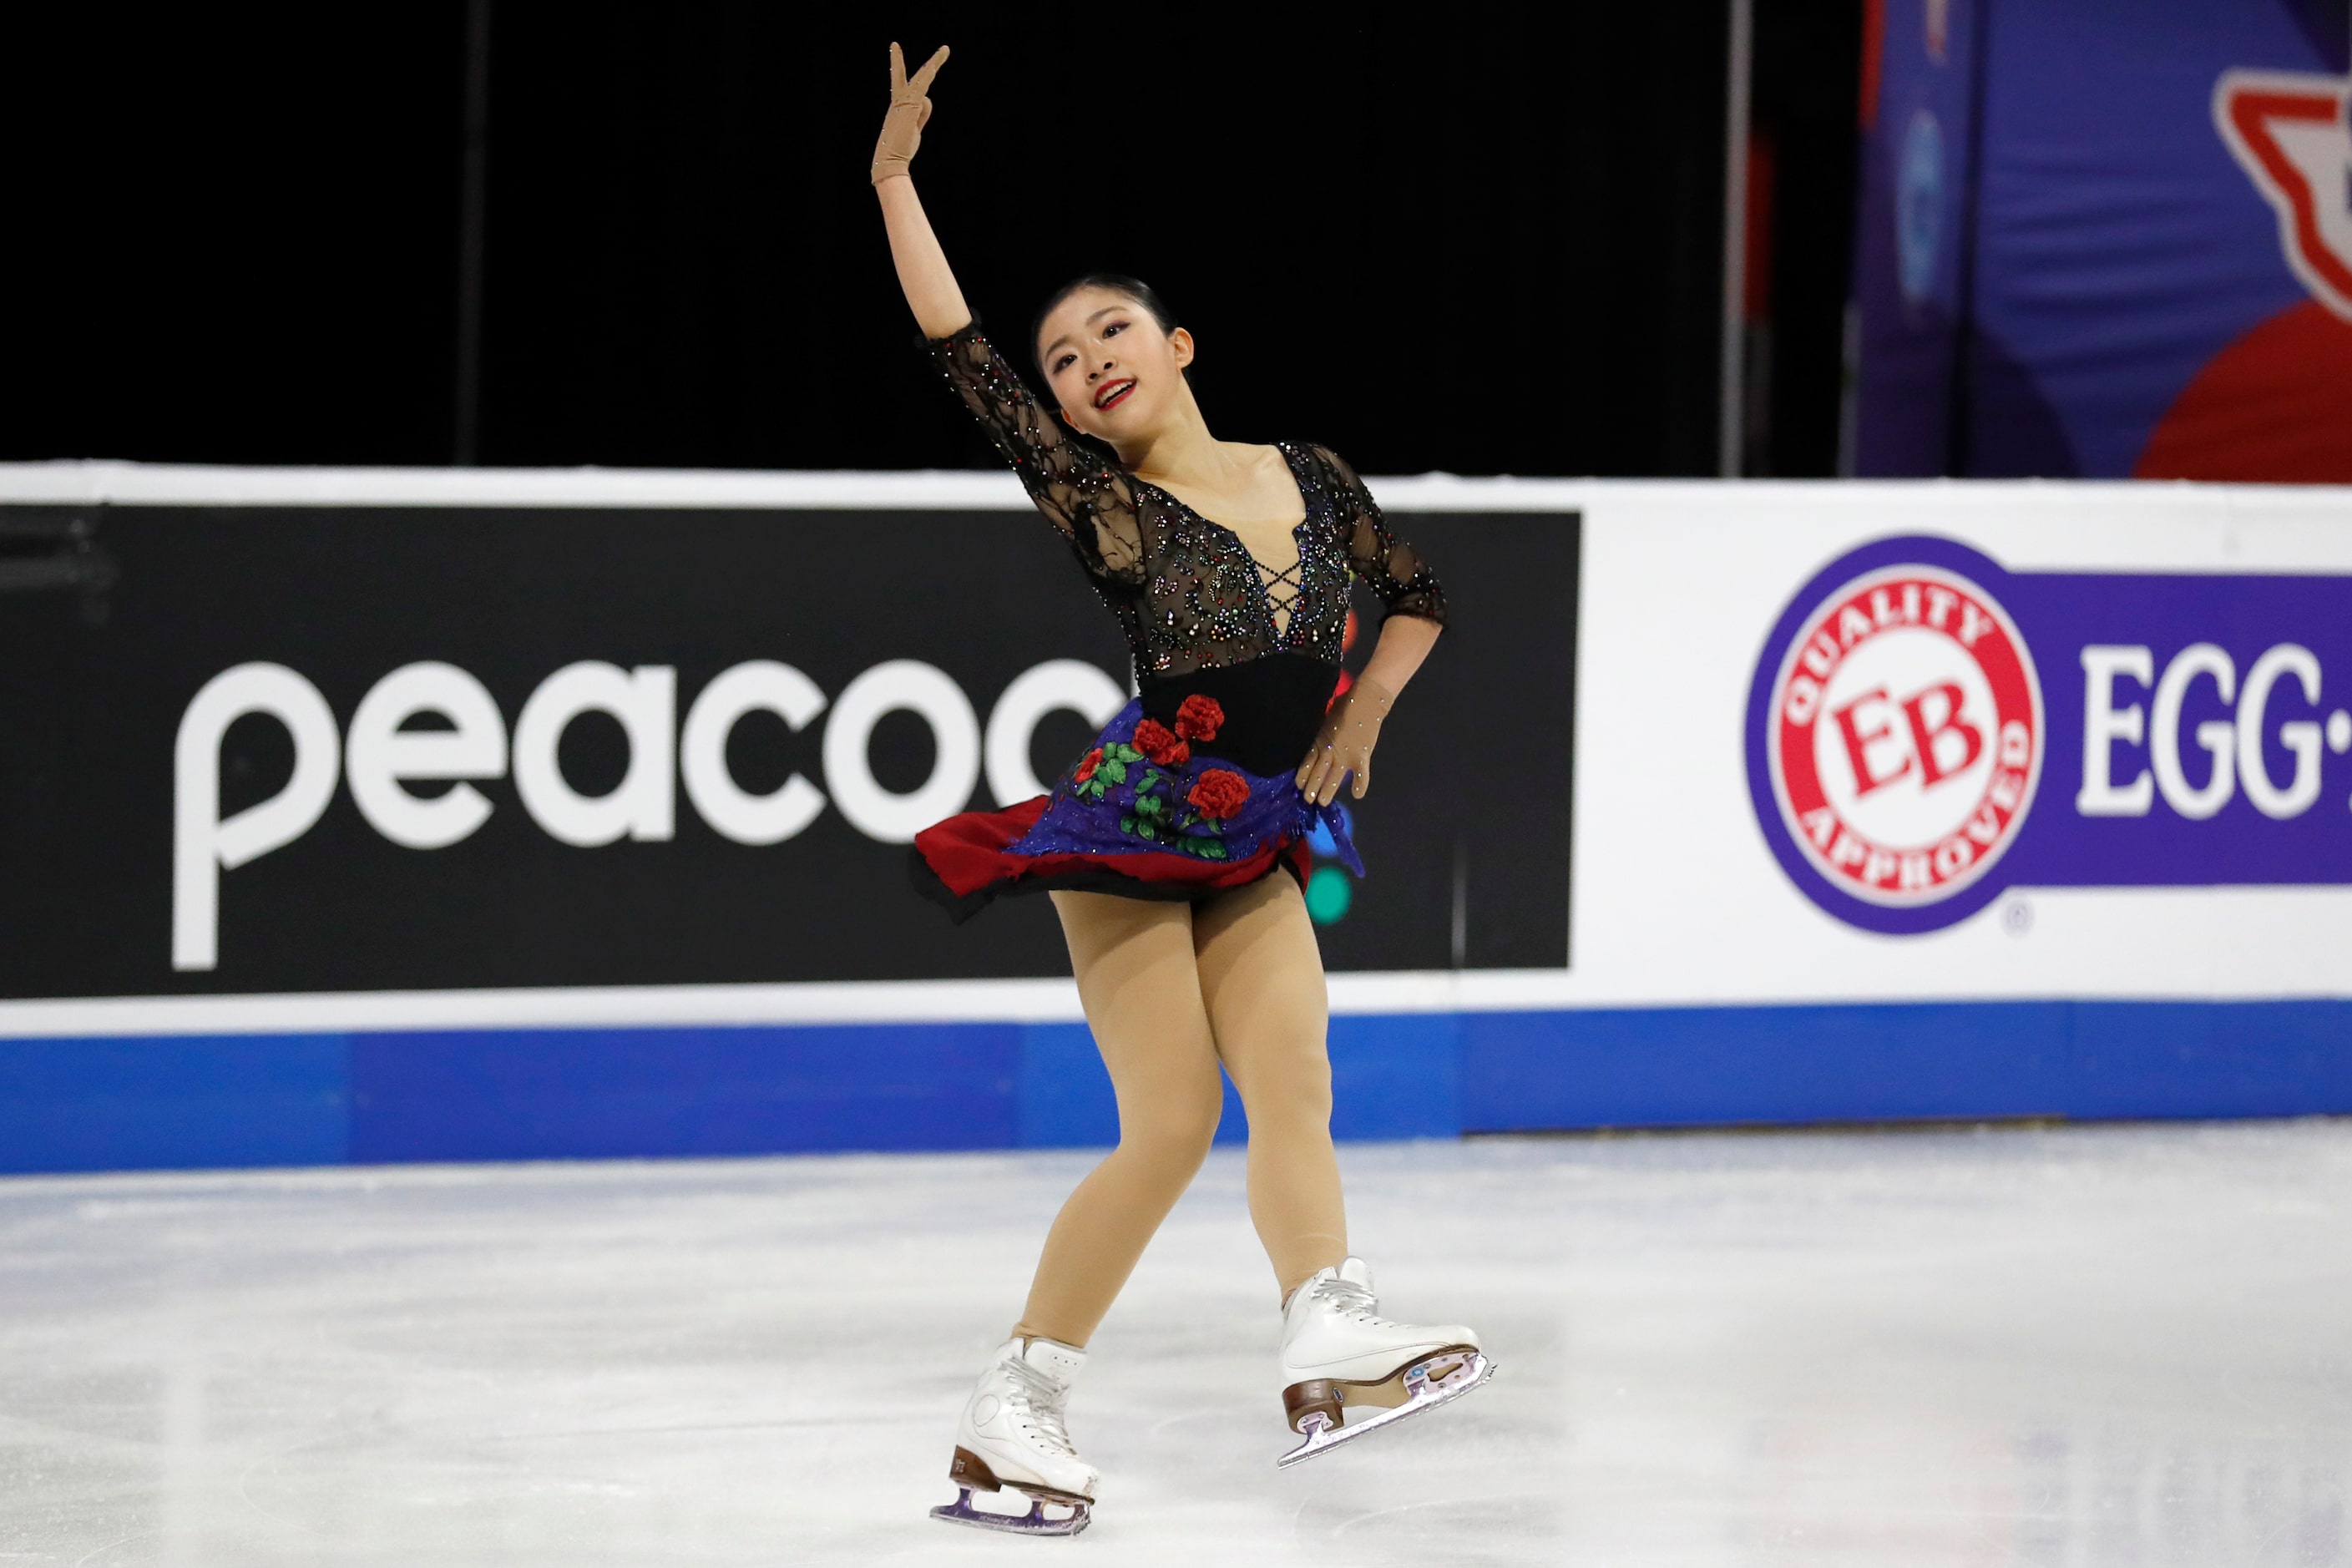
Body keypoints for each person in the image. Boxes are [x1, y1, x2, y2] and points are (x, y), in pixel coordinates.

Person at [871, 42, 1492, 1537]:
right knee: (1169, 1124)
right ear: (1073, 415)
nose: (1088, 363)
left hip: (1263, 831)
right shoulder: (1108, 509)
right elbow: (964, 354)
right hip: (1139, 827)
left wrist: (1366, 717)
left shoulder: (1314, 477)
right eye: (1070, 362)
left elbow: (1417, 593)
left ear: (1180, 342)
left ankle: (1328, 1329)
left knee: (1295, 1082)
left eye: (1111, 333)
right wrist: (895, 178)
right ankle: (1012, 1402)